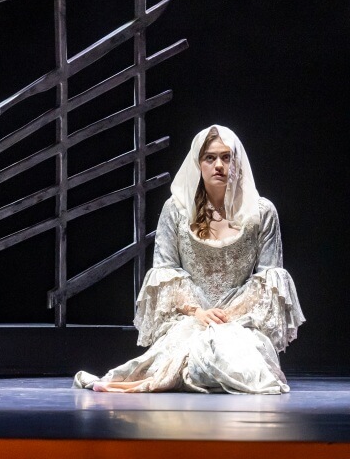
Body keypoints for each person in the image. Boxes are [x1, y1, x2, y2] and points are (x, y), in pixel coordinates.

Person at [74, 125, 304, 393]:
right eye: (210, 157)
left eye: (226, 157)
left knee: (242, 366)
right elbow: (165, 271)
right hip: (190, 318)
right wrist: (198, 313)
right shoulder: (177, 210)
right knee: (179, 359)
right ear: (198, 163)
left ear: (237, 162)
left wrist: (226, 317)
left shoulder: (261, 212)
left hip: (241, 322)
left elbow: (268, 282)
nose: (218, 165)